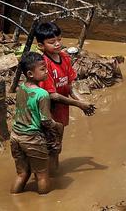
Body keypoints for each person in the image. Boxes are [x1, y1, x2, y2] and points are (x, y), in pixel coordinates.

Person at [33, 21, 95, 175]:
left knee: (57, 145)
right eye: (51, 42)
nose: (57, 44)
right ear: (41, 45)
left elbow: (70, 86)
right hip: (46, 112)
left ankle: (52, 175)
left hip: (61, 110)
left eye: (59, 40)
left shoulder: (65, 57)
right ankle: (48, 177)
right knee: (49, 146)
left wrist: (82, 101)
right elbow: (52, 95)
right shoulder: (43, 65)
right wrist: (79, 105)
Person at [10, 51, 62, 195]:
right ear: (30, 74)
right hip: (32, 138)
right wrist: (57, 127)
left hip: (15, 136)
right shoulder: (42, 94)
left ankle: (14, 198)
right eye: (43, 69)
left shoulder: (21, 88)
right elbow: (45, 121)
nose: (47, 72)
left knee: (22, 174)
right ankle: (44, 203)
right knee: (42, 175)